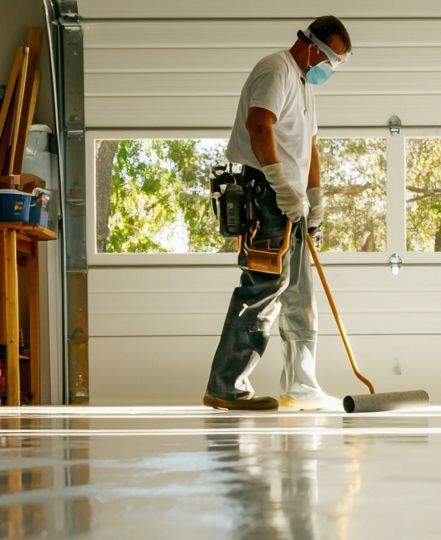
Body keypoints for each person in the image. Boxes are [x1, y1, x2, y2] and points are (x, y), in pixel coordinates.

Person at [203, 16, 352, 411]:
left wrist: (315, 195)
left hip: (293, 202)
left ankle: (300, 386)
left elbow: (311, 145)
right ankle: (225, 386)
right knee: (262, 290)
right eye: (331, 59)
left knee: (300, 294)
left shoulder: (304, 86)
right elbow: (258, 125)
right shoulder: (276, 69)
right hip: (265, 193)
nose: (330, 69)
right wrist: (281, 185)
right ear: (311, 46)